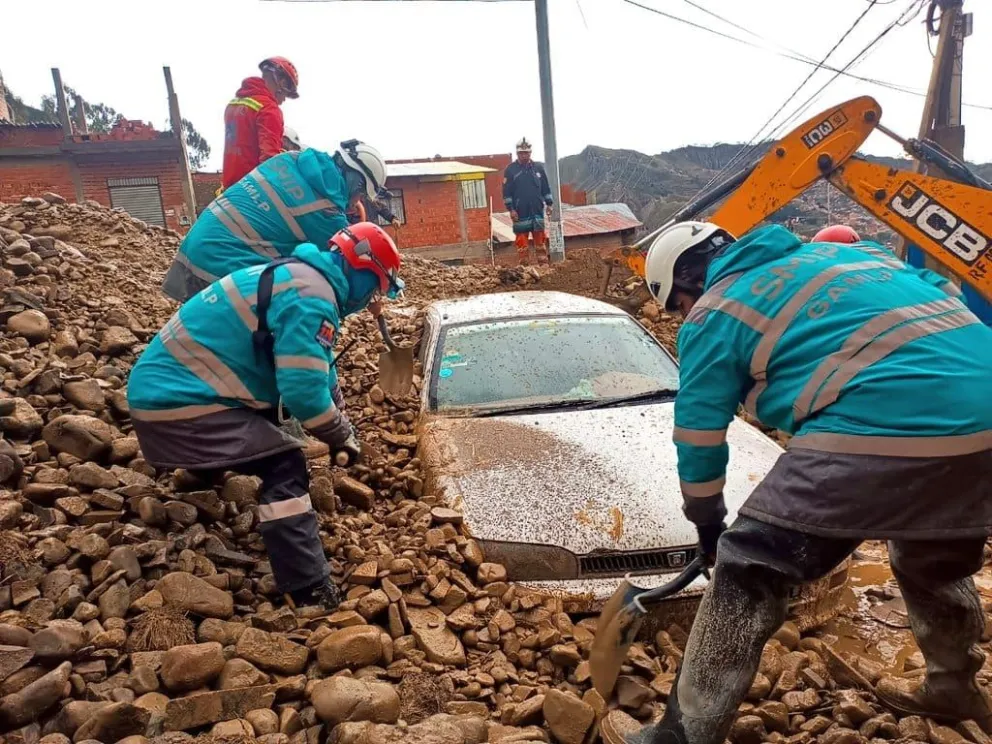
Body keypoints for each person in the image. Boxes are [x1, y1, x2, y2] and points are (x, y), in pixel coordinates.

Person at [602, 221, 992, 744]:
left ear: (688, 285)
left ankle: (683, 734)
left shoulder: (717, 312)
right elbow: (944, 296)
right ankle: (953, 685)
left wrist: (709, 521)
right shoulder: (862, 258)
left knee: (748, 566)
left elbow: (698, 432)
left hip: (887, 417)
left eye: (678, 308)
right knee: (931, 549)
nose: (683, 318)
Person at [129, 222, 404, 611]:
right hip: (178, 407)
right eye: (376, 286)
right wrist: (340, 434)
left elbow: (316, 363)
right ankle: (307, 585)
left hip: (161, 396)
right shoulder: (314, 299)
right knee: (285, 464)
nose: (371, 298)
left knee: (276, 426)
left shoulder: (301, 276)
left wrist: (338, 407)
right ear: (360, 271)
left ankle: (201, 477)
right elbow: (302, 390)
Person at [162, 140, 388, 303]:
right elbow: (344, 275)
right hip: (218, 272)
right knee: (307, 298)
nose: (357, 202)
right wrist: (370, 297)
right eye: (361, 195)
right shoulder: (325, 211)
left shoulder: (290, 159)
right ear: (355, 183)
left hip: (189, 256)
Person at [223, 58, 300, 190]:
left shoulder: (234, 104)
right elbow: (270, 161)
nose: (283, 100)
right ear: (281, 84)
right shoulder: (269, 109)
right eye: (286, 95)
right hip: (253, 191)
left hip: (230, 189)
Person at [502, 137, 554, 266]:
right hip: (520, 211)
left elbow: (545, 187)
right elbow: (506, 192)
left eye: (527, 153)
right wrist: (511, 209)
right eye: (521, 153)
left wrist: (549, 204)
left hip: (537, 210)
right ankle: (525, 269)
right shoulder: (511, 170)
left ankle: (544, 267)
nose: (524, 155)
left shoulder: (538, 168)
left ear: (530, 153)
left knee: (540, 239)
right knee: (522, 241)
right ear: (517, 153)